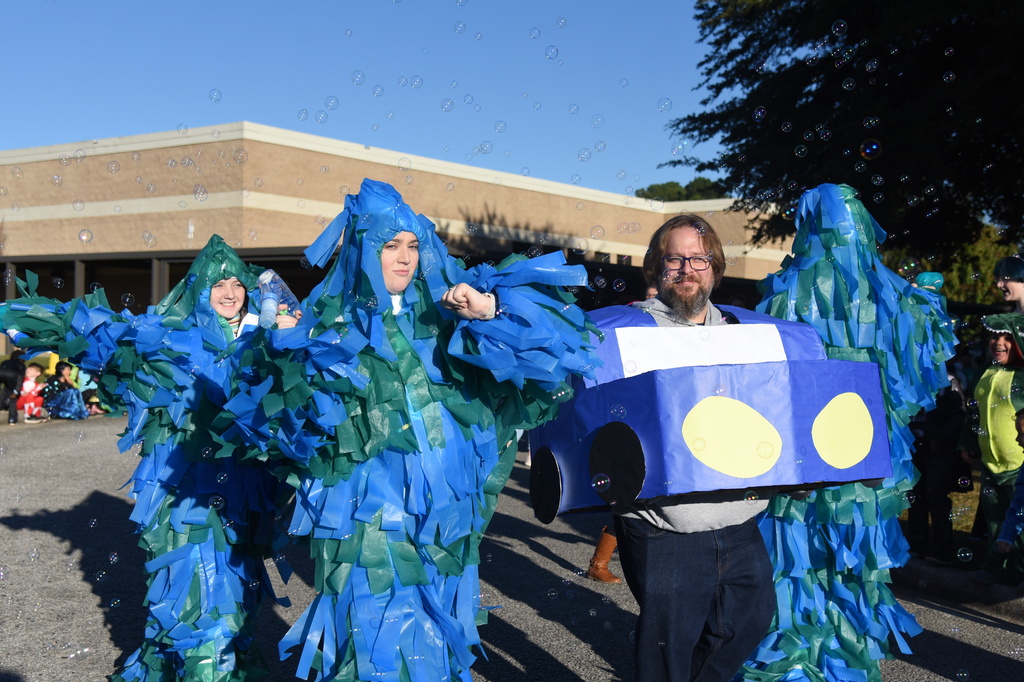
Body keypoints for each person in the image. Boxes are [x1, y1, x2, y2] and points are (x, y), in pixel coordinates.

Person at [222, 179, 599, 682]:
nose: (404, 258)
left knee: (436, 641)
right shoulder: (324, 331)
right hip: (371, 525)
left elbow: (555, 356)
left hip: (447, 526)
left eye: (413, 246)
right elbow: (276, 428)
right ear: (362, 249)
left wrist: (489, 311)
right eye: (389, 246)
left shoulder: (448, 322)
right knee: (378, 640)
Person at [0, 235, 301, 680]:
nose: (230, 292)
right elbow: (104, 332)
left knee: (235, 600)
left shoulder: (263, 340)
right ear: (196, 290)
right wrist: (34, 318)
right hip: (186, 501)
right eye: (218, 284)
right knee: (201, 604)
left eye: (237, 282)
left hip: (245, 499)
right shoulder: (170, 339)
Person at [608, 214, 776, 682]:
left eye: (698, 258)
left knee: (749, 622)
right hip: (666, 525)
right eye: (674, 258)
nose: (687, 268)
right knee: (666, 652)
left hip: (738, 516)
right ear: (655, 269)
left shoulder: (746, 334)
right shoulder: (624, 332)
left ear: (714, 267)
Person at [959, 315, 1024, 551]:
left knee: (1018, 523)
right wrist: (968, 442)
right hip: (989, 464)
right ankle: (997, 567)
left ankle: (1018, 574)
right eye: (995, 336)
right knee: (994, 521)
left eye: (1006, 337)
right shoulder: (984, 372)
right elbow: (973, 411)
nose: (998, 342)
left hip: (1019, 465)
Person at [907, 360, 967, 565]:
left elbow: (959, 414)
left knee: (936, 496)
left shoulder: (948, 380)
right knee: (914, 495)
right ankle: (917, 543)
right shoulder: (908, 377)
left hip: (938, 450)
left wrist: (941, 438)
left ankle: (942, 549)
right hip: (913, 447)